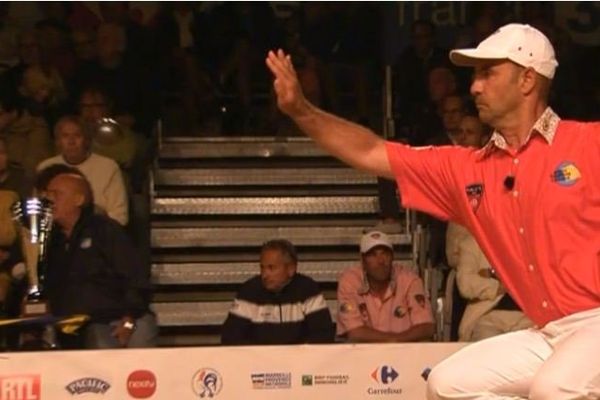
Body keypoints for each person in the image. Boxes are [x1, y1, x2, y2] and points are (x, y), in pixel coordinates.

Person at [267, 23, 600, 399]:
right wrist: (302, 110)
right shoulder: (467, 169)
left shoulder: (589, 143)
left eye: (487, 73)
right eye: (474, 75)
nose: (474, 86)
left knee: (553, 389)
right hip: (550, 332)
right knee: (446, 384)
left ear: (527, 80)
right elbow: (370, 152)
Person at [42, 167, 156, 349]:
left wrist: (128, 320)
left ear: (78, 200)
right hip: (70, 327)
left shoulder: (106, 231)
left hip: (116, 320)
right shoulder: (49, 241)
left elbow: (135, 278)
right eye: (47, 194)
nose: (49, 200)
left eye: (57, 194)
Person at [221, 239, 334, 345]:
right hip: (258, 363)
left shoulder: (308, 290)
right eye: (262, 268)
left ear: (291, 269)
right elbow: (230, 337)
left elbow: (323, 335)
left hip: (300, 363)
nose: (265, 275)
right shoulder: (249, 292)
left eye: (271, 268)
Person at [336, 230, 434, 342]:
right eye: (373, 255)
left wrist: (395, 342)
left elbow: (427, 327)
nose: (381, 260)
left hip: (404, 354)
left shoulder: (409, 280)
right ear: (363, 261)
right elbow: (355, 333)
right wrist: (394, 340)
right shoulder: (350, 281)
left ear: (392, 257)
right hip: (363, 355)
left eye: (385, 253)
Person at [37, 115, 128, 225]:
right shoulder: (46, 167)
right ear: (57, 141)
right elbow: (38, 211)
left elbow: (120, 216)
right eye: (65, 136)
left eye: (77, 135)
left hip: (98, 232)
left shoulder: (108, 166)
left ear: (87, 140)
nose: (71, 142)